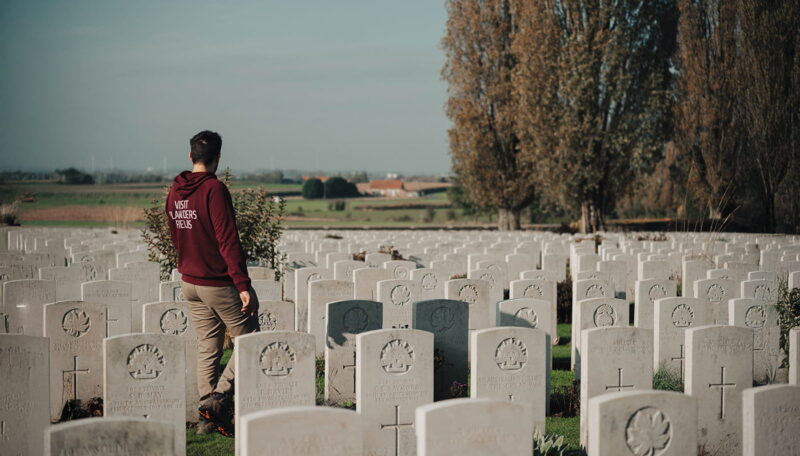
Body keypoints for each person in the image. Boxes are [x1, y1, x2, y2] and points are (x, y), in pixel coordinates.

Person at [166, 130, 259, 436]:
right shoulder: (214, 190)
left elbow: (175, 234)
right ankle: (219, 400)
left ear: (190, 156)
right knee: (249, 339)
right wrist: (242, 284)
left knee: (208, 347)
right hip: (216, 282)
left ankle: (206, 419)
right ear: (217, 158)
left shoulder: (175, 191)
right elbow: (227, 239)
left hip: (189, 281)